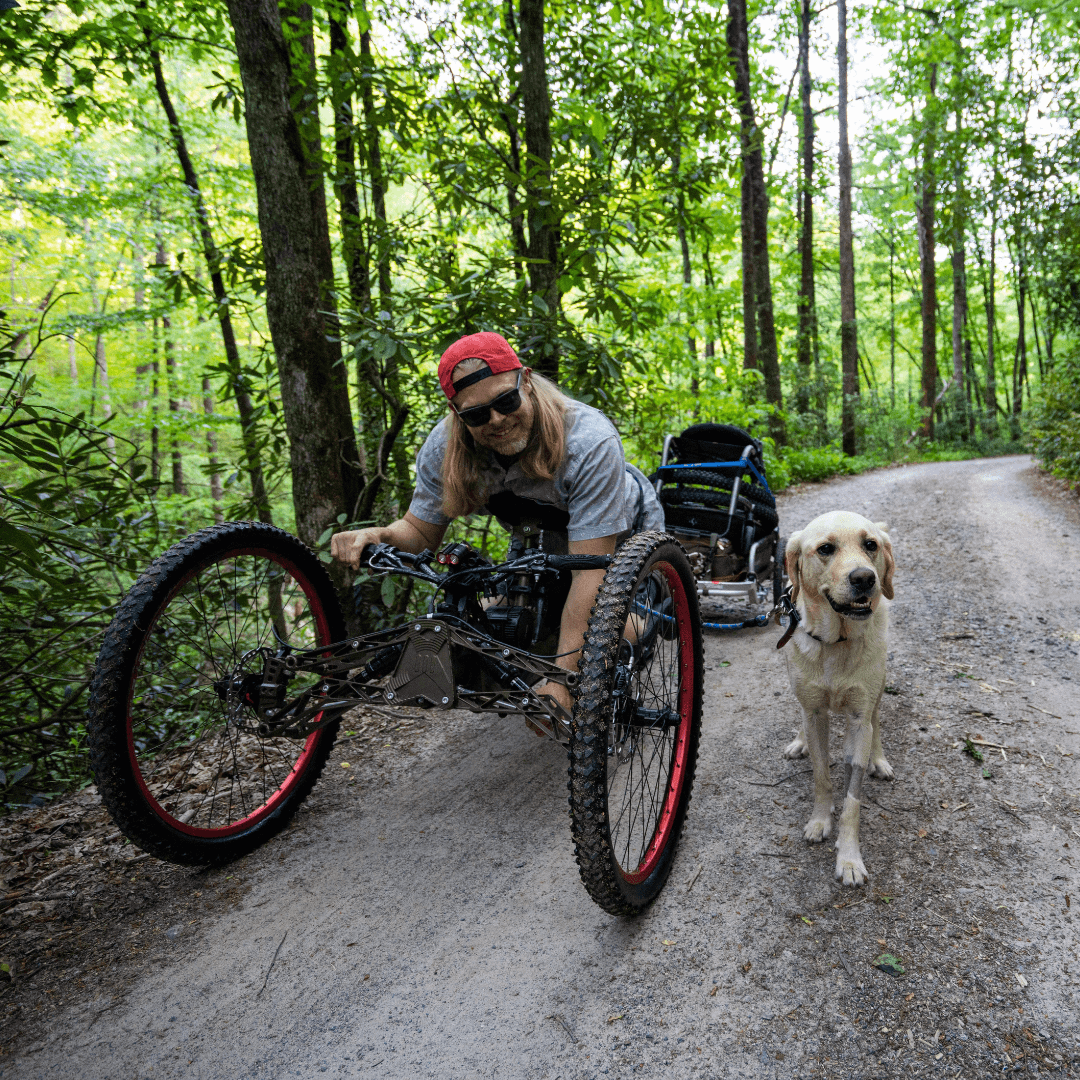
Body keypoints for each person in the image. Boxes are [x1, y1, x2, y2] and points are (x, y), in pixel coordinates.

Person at [331, 331, 663, 712]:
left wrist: (561, 681)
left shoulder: (587, 440)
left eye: (506, 401)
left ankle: (640, 630)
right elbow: (420, 533)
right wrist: (378, 534)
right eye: (476, 414)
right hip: (537, 535)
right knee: (500, 627)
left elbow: (591, 572)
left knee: (616, 627)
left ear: (527, 380)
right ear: (457, 414)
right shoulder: (444, 448)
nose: (497, 420)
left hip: (620, 535)